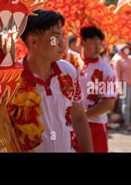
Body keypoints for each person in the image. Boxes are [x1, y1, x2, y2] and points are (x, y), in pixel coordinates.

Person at [16, 9, 93, 152]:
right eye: (56, 37)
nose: (62, 42)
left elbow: (79, 117)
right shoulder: (12, 79)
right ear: (33, 41)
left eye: (62, 36)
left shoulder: (68, 72)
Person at [77, 26, 116, 152]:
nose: (98, 46)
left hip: (95, 125)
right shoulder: (71, 63)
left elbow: (108, 104)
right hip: (71, 125)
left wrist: (82, 116)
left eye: (100, 43)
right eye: (93, 42)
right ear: (82, 41)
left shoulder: (106, 70)